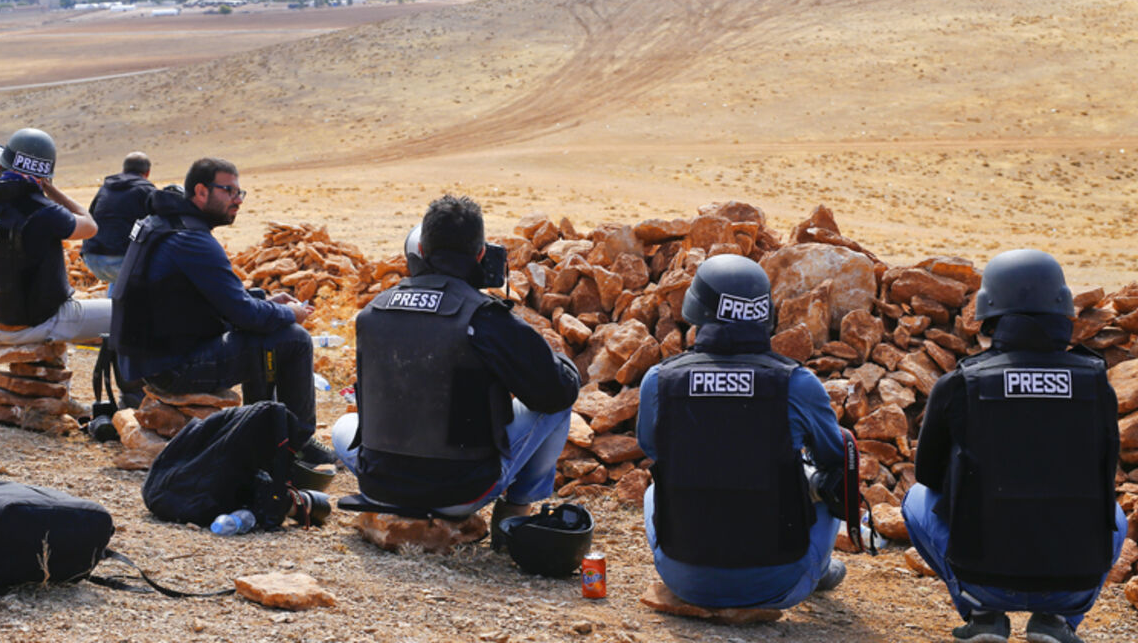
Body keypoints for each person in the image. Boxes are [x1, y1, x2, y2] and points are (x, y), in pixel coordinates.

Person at [901, 249, 1126, 643]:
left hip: (984, 574)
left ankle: (982, 613)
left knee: (916, 498)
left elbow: (927, 475)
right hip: (1071, 579)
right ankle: (1057, 621)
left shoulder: (961, 382)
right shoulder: (1095, 382)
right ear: (1062, 309)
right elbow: (1105, 475)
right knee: (1116, 516)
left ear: (989, 311)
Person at [331, 195, 581, 533]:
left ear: (420, 247)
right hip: (460, 491)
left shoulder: (372, 311)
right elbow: (556, 393)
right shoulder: (485, 316)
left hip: (379, 484)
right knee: (556, 399)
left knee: (339, 429)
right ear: (480, 254)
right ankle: (516, 511)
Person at [636, 254, 848, 609]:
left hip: (684, 580)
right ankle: (816, 568)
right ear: (763, 314)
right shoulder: (797, 382)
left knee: (655, 488)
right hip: (779, 585)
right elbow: (835, 457)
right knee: (825, 485)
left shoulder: (659, 379)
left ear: (698, 311)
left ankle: (699, 572)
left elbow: (652, 448)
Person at [111, 157, 332, 465]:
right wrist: (288, 314)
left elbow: (215, 300)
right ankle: (297, 440)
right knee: (294, 339)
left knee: (266, 326)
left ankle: (264, 426)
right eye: (229, 191)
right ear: (201, 192)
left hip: (149, 361)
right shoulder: (192, 239)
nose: (238, 200)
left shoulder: (165, 223)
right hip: (173, 369)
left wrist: (265, 302)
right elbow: (244, 315)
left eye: (240, 193)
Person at [0, 127, 110, 345]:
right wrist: (51, 190)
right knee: (127, 313)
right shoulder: (43, 213)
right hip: (36, 324)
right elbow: (90, 226)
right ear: (45, 175)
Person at [81, 151, 155, 293]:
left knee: (121, 278)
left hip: (91, 256)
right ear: (148, 172)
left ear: (123, 169)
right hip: (118, 260)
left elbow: (90, 218)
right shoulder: (146, 190)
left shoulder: (105, 188)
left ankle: (114, 311)